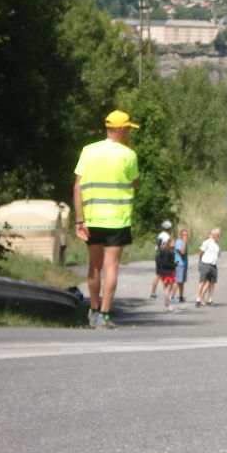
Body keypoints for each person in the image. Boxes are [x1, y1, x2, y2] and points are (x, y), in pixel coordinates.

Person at [73, 109, 140, 329]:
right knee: (111, 267)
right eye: (128, 128)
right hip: (118, 220)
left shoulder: (88, 151)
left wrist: (79, 220)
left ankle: (93, 311)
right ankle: (105, 315)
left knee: (94, 265)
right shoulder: (128, 155)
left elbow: (77, 187)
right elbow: (135, 183)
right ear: (121, 129)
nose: (129, 132)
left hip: (92, 219)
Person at [196, 228, 222, 307]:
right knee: (202, 282)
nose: (219, 236)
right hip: (206, 264)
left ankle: (210, 299)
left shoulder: (217, 245)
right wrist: (200, 262)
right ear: (213, 235)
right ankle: (199, 299)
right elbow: (200, 252)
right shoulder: (207, 242)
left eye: (219, 235)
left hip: (213, 265)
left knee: (211, 283)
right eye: (217, 235)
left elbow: (217, 255)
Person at [150, 220, 172, 299]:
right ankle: (166, 293)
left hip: (158, 255)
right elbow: (166, 246)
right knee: (165, 274)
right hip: (163, 256)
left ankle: (153, 293)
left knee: (157, 274)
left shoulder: (160, 235)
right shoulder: (167, 236)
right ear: (169, 228)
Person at [156, 236, 177, 312]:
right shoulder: (168, 252)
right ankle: (168, 305)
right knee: (167, 289)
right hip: (168, 272)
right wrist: (174, 265)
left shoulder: (163, 251)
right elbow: (165, 263)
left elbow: (160, 261)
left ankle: (166, 305)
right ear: (169, 243)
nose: (174, 244)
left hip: (163, 272)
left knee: (165, 289)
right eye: (173, 242)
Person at [171, 229, 189, 303]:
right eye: (184, 235)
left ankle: (181, 296)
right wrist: (184, 242)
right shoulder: (178, 242)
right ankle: (172, 296)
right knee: (178, 281)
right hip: (179, 264)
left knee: (182, 281)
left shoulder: (184, 243)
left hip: (184, 264)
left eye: (186, 235)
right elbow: (182, 252)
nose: (186, 236)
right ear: (181, 235)